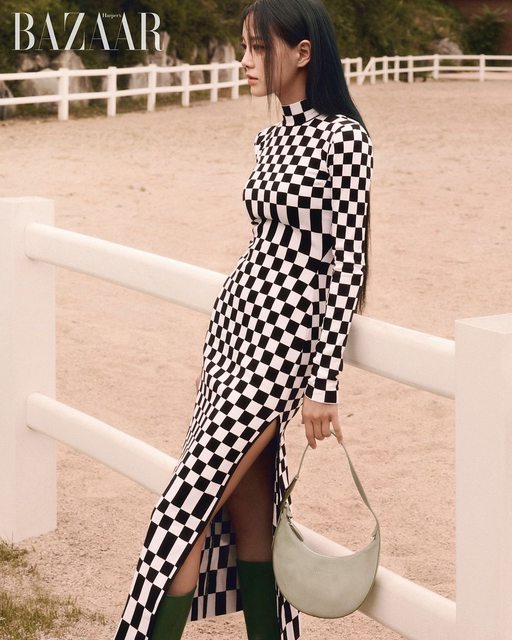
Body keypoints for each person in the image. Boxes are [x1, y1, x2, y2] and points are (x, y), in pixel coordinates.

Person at [113, 0, 373, 638]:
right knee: (249, 514)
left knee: (181, 515)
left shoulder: (345, 139)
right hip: (234, 333)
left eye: (259, 48)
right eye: (244, 47)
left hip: (279, 349)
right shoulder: (273, 136)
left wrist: (323, 384)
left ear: (303, 53)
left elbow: (345, 265)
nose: (246, 61)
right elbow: (268, 240)